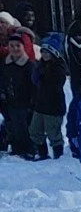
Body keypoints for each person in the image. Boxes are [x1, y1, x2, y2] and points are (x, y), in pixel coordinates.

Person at [29, 33, 68, 159]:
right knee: (35, 130)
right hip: (40, 104)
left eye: (47, 52)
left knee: (53, 133)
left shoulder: (59, 67)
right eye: (43, 52)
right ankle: (42, 154)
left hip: (54, 106)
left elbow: (55, 85)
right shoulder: (40, 66)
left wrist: (43, 79)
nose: (44, 55)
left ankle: (58, 155)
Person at [1, 28, 36, 157]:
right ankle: (17, 148)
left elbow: (34, 86)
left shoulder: (29, 65)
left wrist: (33, 102)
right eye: (12, 46)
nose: (15, 49)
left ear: (23, 47)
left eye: (18, 46)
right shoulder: (5, 64)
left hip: (25, 102)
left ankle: (30, 149)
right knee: (14, 126)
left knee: (26, 127)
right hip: (10, 101)